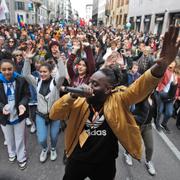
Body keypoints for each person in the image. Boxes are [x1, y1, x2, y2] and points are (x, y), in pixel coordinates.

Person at [49, 27, 180, 180]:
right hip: (77, 159)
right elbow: (54, 113)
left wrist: (161, 66)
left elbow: (138, 88)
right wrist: (71, 95)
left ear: (108, 89)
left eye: (95, 85)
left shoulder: (117, 99)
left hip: (104, 163)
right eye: (90, 82)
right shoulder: (78, 100)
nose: (90, 87)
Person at [22, 48, 65, 163]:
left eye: (45, 71)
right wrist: (27, 59)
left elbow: (63, 75)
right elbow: (25, 75)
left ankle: (53, 148)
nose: (42, 74)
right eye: (40, 71)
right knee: (41, 139)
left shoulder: (56, 83)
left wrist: (59, 58)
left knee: (54, 136)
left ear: (50, 72)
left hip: (55, 115)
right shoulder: (37, 81)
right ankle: (45, 149)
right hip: (40, 115)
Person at [0, 59, 30, 170]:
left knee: (20, 138)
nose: (7, 72)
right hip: (4, 116)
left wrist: (22, 104)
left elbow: (26, 95)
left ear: (14, 69)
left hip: (19, 114)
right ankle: (11, 153)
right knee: (8, 137)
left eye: (9, 69)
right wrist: (2, 107)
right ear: (0, 70)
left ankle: (21, 157)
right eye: (4, 69)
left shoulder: (21, 80)